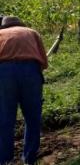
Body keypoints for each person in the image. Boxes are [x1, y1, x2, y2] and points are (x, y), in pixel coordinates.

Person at [0, 17, 48, 165]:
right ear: (20, 24)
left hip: (4, 72)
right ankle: (29, 159)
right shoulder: (32, 32)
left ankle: (5, 160)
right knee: (33, 118)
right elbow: (44, 61)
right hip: (30, 71)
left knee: (5, 119)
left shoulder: (0, 34)